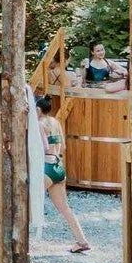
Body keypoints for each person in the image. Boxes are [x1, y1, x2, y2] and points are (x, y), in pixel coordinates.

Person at [37, 94, 91, 254]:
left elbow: (44, 147)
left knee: (27, 201)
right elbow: (63, 148)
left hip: (46, 167)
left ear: (39, 110)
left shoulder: (40, 124)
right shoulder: (56, 122)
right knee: (65, 208)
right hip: (59, 166)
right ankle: (82, 240)